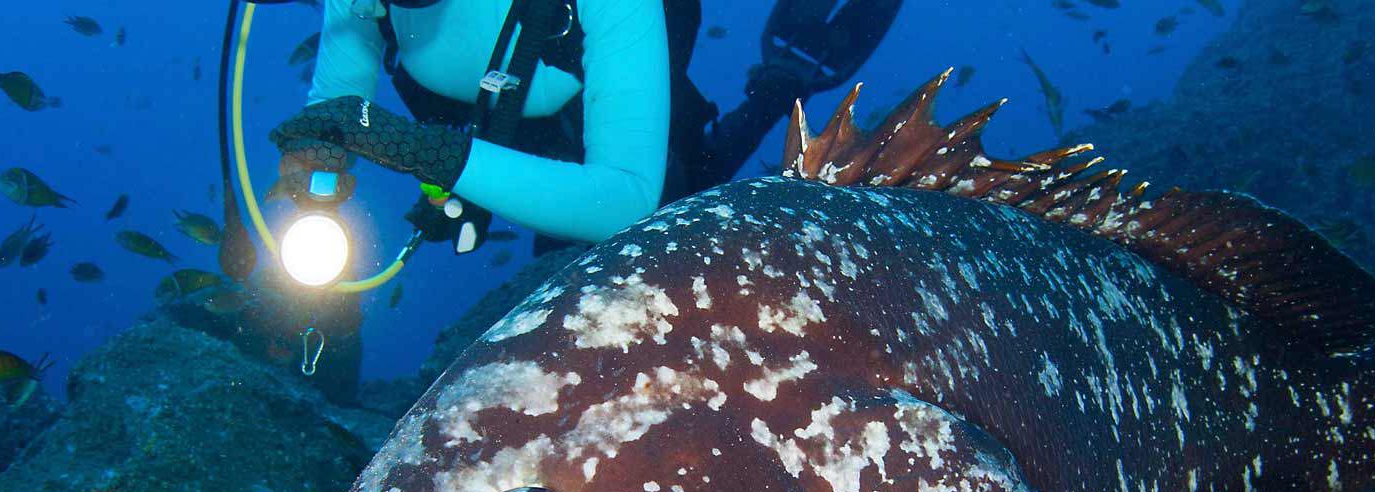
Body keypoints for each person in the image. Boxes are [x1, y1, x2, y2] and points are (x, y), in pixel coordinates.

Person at [271, 0, 902, 252]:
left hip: (605, 122)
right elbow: (335, 111)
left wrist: (428, 154)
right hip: (494, 140)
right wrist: (315, 163)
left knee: (683, 198)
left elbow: (624, 199)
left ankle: (776, 90)